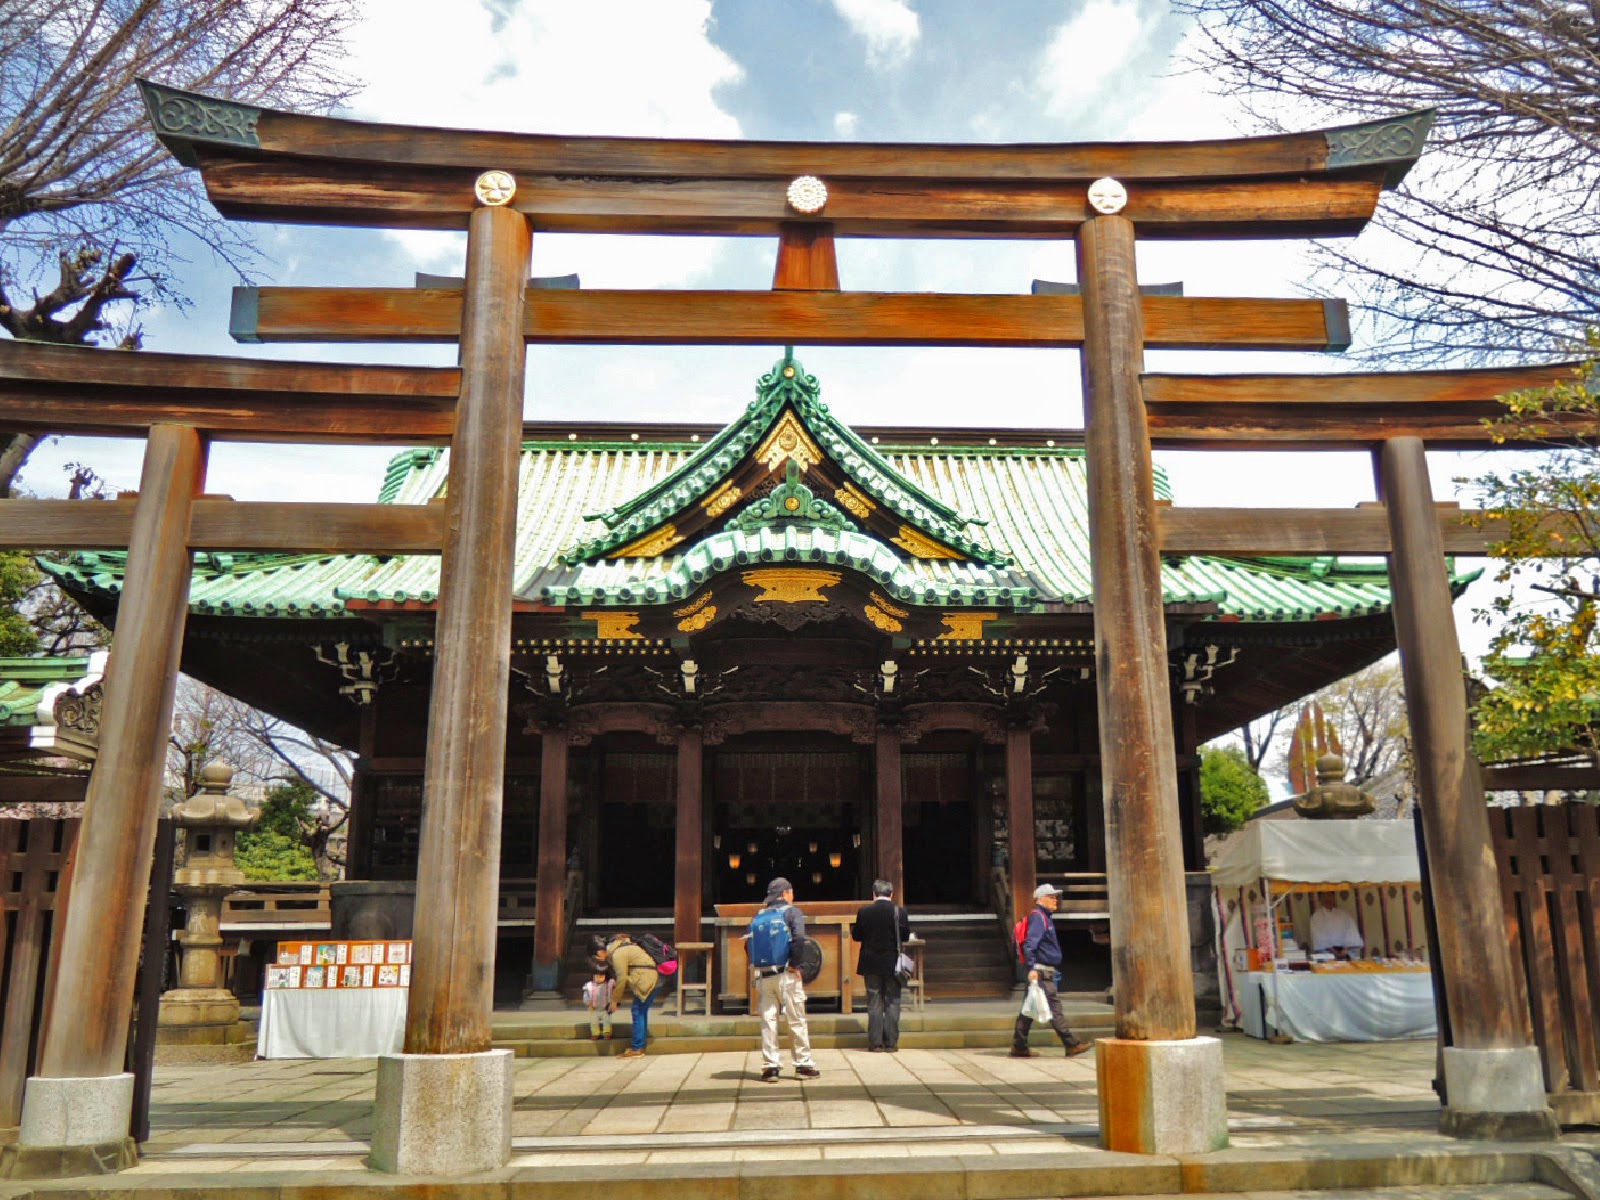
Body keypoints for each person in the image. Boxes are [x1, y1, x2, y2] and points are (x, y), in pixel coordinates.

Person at [748, 876, 820, 1082]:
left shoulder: (759, 915)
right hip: (787, 973)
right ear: (786, 893)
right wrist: (797, 965)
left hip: (764, 975)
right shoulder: (791, 912)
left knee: (768, 1022)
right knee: (796, 1019)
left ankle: (770, 1067)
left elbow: (748, 945)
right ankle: (803, 1065)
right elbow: (799, 939)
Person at [1011, 883, 1091, 1059]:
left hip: (1042, 971)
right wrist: (1031, 968)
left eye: (1055, 896)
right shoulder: (1039, 917)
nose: (1055, 900)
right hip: (1040, 971)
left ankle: (1019, 1046)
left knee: (1028, 1010)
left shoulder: (1044, 917)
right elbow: (1030, 944)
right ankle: (1071, 1044)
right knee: (1054, 1008)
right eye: (1051, 896)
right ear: (1041, 899)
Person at [852, 878, 911, 1052]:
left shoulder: (864, 911)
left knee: (874, 1002)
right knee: (893, 1001)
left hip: (870, 962)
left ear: (874, 894)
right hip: (893, 963)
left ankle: (875, 1043)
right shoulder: (899, 912)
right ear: (891, 894)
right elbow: (905, 936)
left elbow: (856, 936)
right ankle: (891, 1042)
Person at [605, 932, 659, 1059]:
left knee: (637, 1011)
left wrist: (614, 1001)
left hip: (645, 981)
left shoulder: (619, 953)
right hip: (652, 979)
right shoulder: (631, 947)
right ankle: (639, 1046)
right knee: (641, 1011)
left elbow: (621, 979)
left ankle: (637, 1048)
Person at [1309, 890, 1365, 960]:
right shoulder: (1316, 916)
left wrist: (1345, 950)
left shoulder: (1344, 914)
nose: (1327, 899)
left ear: (1334, 897)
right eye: (1324, 896)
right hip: (1326, 952)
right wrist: (1335, 953)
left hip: (1344, 952)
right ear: (1320, 899)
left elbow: (1352, 933)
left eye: (1330, 895)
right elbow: (1319, 938)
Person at [582, 936, 614, 1041]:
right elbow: (596, 969)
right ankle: (595, 1033)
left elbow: (610, 972)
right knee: (594, 1018)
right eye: (601, 950)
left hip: (605, 987)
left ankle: (607, 1032)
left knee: (606, 1017)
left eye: (604, 950)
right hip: (594, 987)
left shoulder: (608, 960)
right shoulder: (591, 960)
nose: (603, 952)